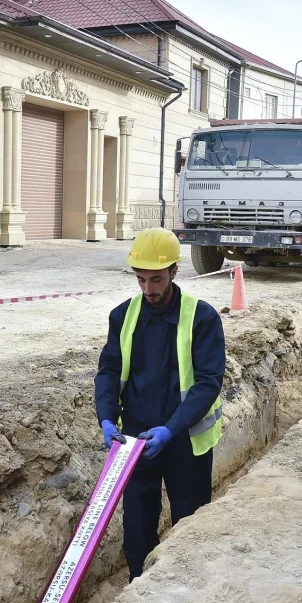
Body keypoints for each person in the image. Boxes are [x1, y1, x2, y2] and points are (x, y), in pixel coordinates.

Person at [94, 228, 226, 581]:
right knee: (137, 524)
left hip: (184, 441)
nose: (148, 289)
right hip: (135, 442)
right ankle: (140, 587)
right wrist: (106, 418)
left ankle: (185, 588)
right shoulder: (123, 317)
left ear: (173, 272)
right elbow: (108, 371)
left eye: (155, 279)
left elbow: (208, 382)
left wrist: (170, 429)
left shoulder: (202, 317)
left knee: (190, 522)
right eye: (141, 280)